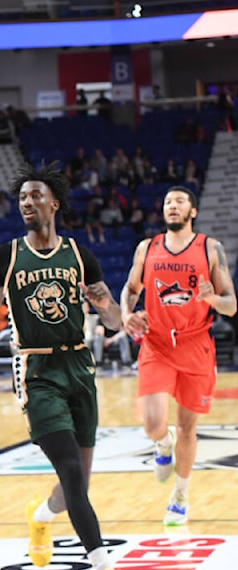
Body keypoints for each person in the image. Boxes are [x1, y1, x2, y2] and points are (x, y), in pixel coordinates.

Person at [0, 162, 140, 570]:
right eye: (22, 198)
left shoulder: (79, 254)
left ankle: (40, 517)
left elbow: (110, 316)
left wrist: (114, 312)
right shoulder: (5, 255)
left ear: (54, 202)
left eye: (35, 196)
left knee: (79, 483)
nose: (27, 203)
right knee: (72, 473)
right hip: (37, 371)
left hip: (80, 366)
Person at [120, 186, 236, 525]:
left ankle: (181, 495)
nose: (172, 206)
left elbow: (231, 304)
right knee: (154, 423)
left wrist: (213, 298)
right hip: (156, 342)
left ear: (193, 211)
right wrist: (127, 314)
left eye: (180, 201)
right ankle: (162, 443)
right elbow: (130, 289)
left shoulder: (211, 249)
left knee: (188, 425)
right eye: (168, 202)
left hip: (195, 343)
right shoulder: (148, 248)